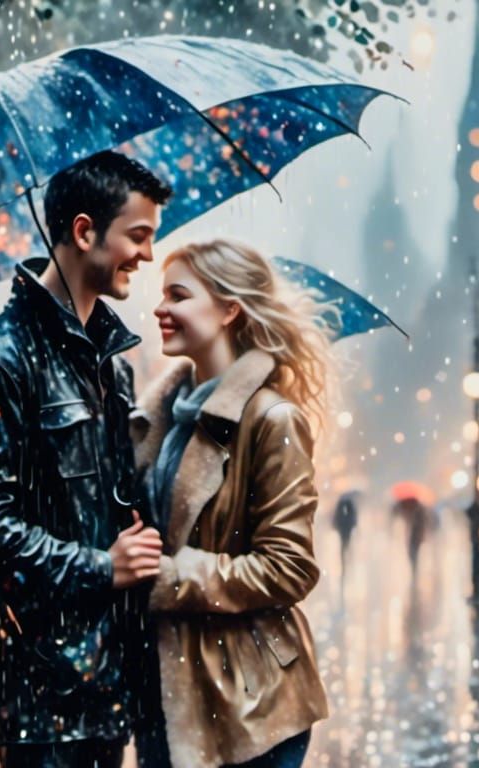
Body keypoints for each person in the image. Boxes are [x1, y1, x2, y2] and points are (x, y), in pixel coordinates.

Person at [0, 150, 172, 767]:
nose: (147, 255)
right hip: (38, 695)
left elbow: (111, 508)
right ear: (85, 232)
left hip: (108, 683)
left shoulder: (112, 367)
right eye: (138, 236)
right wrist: (101, 567)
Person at [132, 240, 330, 768]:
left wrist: (171, 578)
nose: (160, 309)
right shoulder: (160, 421)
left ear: (228, 310)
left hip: (250, 703)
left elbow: (289, 567)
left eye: (178, 296)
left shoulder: (272, 420)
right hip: (164, 691)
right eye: (162, 295)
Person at [393, 498, 428, 579]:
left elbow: (422, 527)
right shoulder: (416, 510)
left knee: (414, 556)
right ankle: (413, 572)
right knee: (412, 555)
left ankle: (414, 573)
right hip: (413, 539)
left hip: (415, 539)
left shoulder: (418, 512)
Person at [332, 492, 359, 582]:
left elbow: (336, 518)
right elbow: (354, 518)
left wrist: (335, 525)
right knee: (347, 547)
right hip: (346, 530)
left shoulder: (341, 504)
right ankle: (348, 565)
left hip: (343, 530)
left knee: (344, 548)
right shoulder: (350, 505)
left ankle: (346, 566)